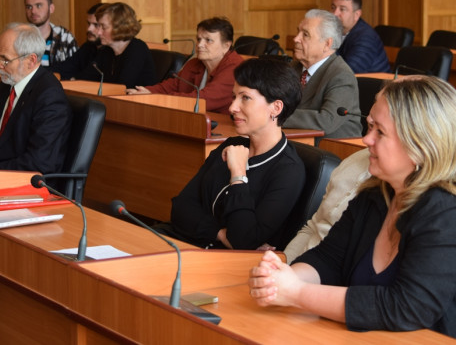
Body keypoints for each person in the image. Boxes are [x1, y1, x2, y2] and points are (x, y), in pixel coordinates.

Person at [248, 77, 456, 345]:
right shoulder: (378, 193)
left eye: (380, 132)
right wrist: (280, 280)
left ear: (421, 145)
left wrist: (296, 293)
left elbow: (406, 308)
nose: (366, 140)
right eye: (369, 126)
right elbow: (327, 260)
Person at [157, 58, 305, 250]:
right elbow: (181, 208)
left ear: (276, 108)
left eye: (245, 98)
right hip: (183, 240)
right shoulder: (231, 145)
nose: (232, 107)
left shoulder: (289, 171)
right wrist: (220, 233)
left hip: (217, 259)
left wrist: (238, 175)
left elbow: (243, 240)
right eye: (234, 97)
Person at [0, 23, 72, 174]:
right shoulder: (5, 85)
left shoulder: (49, 96)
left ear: (31, 60)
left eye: (5, 59)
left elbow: (39, 162)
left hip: (16, 178)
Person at [126, 17, 243, 114]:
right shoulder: (194, 63)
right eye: (199, 39)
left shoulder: (235, 68)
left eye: (208, 40)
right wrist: (147, 92)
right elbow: (171, 86)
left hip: (224, 127)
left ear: (226, 46)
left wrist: (156, 98)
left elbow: (203, 100)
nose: (200, 45)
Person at [283, 9, 362, 141]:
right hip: (297, 140)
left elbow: (327, 120)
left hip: (334, 147)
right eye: (298, 32)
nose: (296, 39)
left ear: (327, 44)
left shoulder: (341, 75)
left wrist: (275, 116)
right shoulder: (293, 67)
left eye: (305, 35)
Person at [283, 148, 370, 262]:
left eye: (380, 136)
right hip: (303, 266)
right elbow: (312, 227)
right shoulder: (354, 159)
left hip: (319, 269)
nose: (367, 139)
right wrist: (284, 262)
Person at [74, 2, 156, 89]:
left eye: (103, 27)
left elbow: (122, 88)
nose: (99, 32)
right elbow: (86, 77)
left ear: (119, 28)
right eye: (99, 26)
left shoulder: (137, 49)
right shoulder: (107, 50)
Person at [331, 0, 390, 74]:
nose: (334, 14)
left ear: (356, 15)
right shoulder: (333, 31)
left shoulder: (366, 37)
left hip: (372, 82)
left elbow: (348, 72)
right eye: (333, 8)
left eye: (342, 9)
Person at [53, 3, 106, 80]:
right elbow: (64, 68)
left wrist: (73, 78)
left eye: (96, 25)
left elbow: (88, 77)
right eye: (88, 23)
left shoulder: (110, 51)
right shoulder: (88, 47)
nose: (89, 29)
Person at [24, 0, 78, 67]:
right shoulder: (18, 37)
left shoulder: (65, 37)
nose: (33, 11)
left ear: (51, 8)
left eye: (38, 6)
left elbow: (75, 68)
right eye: (29, 7)